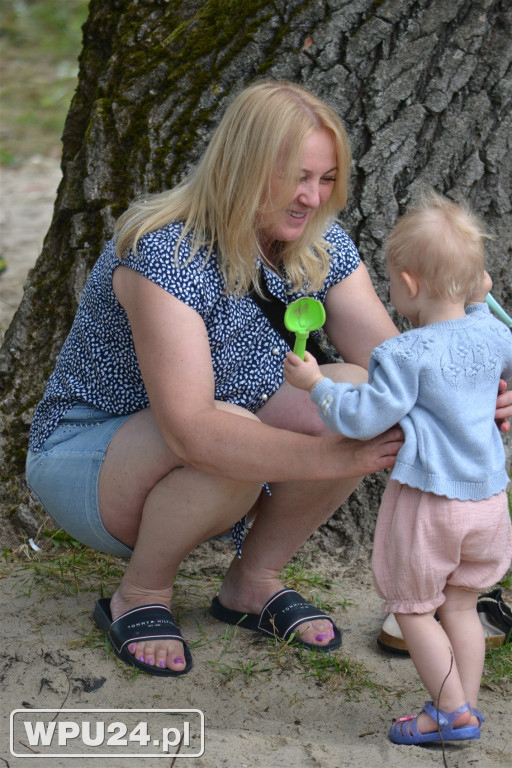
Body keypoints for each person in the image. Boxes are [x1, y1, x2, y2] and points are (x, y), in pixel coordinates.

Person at [24, 81, 510, 680]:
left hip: (227, 441)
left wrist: (465, 398)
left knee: (359, 389)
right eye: (297, 176)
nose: (313, 196)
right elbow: (192, 433)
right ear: (246, 166)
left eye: (327, 178)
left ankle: (252, 583)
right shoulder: (163, 252)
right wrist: (335, 457)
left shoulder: (317, 240)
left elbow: (398, 363)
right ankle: (141, 593)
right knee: (231, 434)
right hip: (94, 458)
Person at [283, 191, 512, 745]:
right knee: (461, 604)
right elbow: (489, 314)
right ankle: (464, 706)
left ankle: (450, 711)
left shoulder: (404, 355)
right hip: (488, 504)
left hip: (431, 505)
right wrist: (481, 295)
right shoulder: (495, 334)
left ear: (407, 285)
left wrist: (317, 387)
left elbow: (363, 419)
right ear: (477, 279)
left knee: (413, 612)